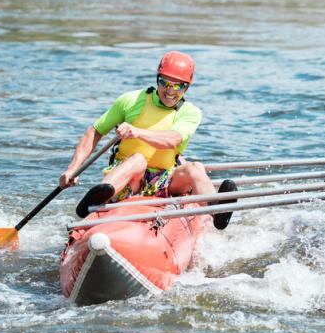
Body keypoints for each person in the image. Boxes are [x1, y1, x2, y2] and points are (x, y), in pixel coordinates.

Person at [59, 51, 237, 229]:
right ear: (157, 78)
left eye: (178, 86)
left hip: (163, 181)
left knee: (194, 168)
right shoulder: (130, 100)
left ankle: (217, 212)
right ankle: (99, 198)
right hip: (129, 179)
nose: (170, 90)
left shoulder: (190, 112)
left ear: (187, 87)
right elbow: (94, 132)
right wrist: (73, 169)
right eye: (164, 82)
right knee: (138, 159)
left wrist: (137, 132)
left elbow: (172, 140)